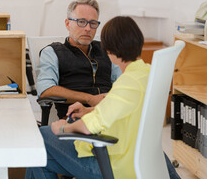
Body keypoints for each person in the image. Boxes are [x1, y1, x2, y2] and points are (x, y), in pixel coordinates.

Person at [25, 16, 181, 179]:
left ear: (109, 51)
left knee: (40, 135)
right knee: (41, 160)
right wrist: (89, 110)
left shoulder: (128, 82)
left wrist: (63, 128)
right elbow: (127, 105)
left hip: (113, 164)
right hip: (139, 158)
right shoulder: (147, 73)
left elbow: (89, 127)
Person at [36, 0, 121, 119]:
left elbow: (122, 82)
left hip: (110, 115)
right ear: (67, 24)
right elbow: (45, 90)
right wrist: (90, 99)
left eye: (93, 23)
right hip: (75, 120)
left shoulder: (107, 49)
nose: (88, 28)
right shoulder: (52, 52)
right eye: (81, 22)